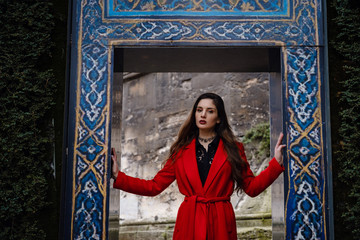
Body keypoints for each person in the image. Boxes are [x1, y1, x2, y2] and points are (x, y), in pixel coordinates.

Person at [111, 92, 286, 240]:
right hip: (189, 220)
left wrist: (275, 164)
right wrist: (119, 176)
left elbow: (252, 188)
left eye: (210, 111)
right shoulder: (180, 150)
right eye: (199, 110)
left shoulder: (234, 148)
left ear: (218, 118)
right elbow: (154, 186)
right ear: (194, 114)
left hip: (220, 221)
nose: (203, 115)